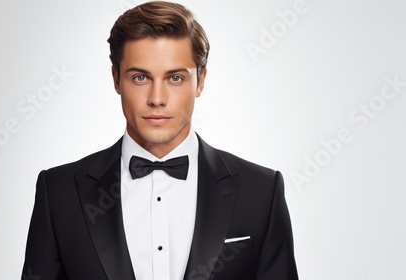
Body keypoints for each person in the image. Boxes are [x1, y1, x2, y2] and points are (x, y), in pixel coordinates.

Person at [21, 1, 298, 279]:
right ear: (116, 80)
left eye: (175, 78)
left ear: (200, 81)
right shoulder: (58, 193)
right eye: (140, 77)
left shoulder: (261, 192)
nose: (157, 99)